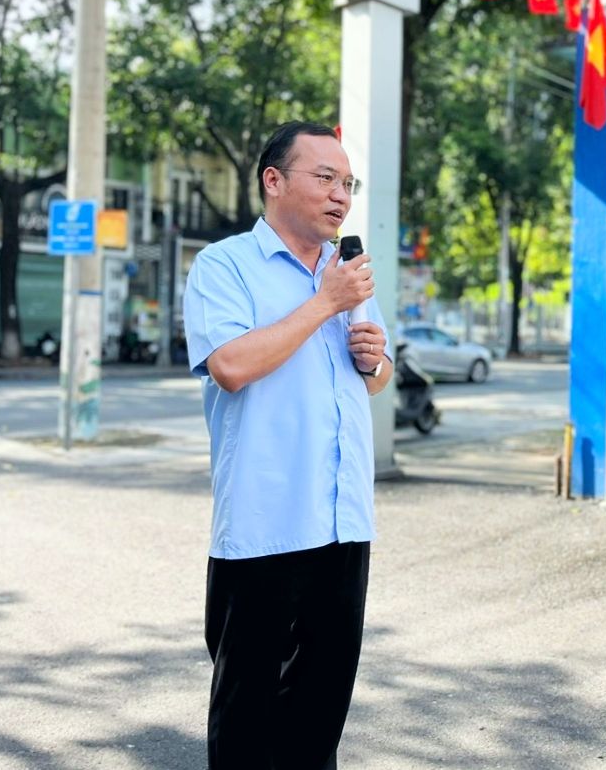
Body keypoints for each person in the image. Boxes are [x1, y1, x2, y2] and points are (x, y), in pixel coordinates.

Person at [183, 121, 393, 769]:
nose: (340, 195)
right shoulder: (224, 265)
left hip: (343, 523)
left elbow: (374, 378)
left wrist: (374, 359)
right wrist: (324, 305)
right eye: (325, 178)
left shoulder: (346, 272)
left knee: (319, 716)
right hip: (265, 525)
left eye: (348, 183)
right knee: (248, 720)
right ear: (273, 181)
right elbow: (231, 366)